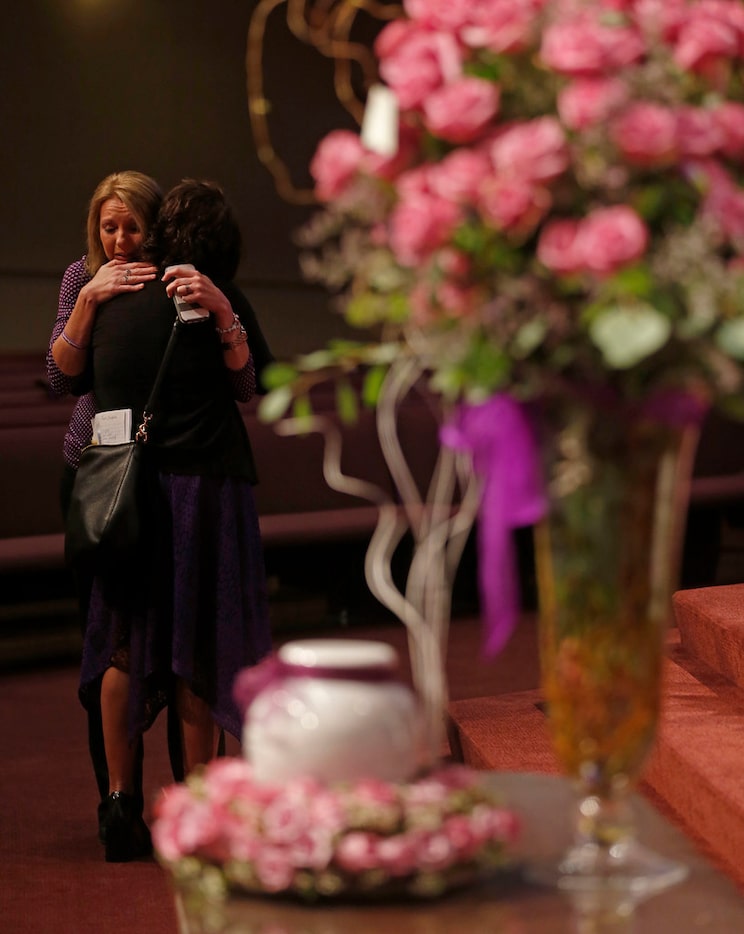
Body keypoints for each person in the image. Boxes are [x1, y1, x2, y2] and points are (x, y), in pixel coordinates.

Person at [61, 178, 274, 862]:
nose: (121, 240)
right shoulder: (206, 294)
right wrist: (224, 313)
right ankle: (202, 810)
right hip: (200, 489)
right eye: (110, 227)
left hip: (124, 488)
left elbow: (72, 378)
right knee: (197, 645)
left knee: (125, 639)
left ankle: (122, 802)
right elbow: (251, 383)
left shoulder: (110, 299)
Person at [46, 170, 167, 838]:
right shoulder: (79, 276)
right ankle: (117, 803)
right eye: (108, 226)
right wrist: (89, 299)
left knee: (157, 635)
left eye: (131, 226)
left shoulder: (171, 277)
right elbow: (61, 375)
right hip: (92, 470)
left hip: (158, 471)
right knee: (104, 636)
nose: (119, 239)